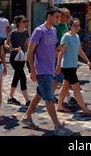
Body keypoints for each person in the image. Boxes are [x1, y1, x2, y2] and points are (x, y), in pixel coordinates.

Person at [21, 8, 74, 136]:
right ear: (49, 16)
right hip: (42, 70)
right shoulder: (39, 31)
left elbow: (52, 50)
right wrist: (32, 71)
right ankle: (57, 127)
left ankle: (27, 117)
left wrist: (58, 51)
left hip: (50, 69)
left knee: (39, 94)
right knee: (49, 99)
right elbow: (30, 52)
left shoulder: (54, 30)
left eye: (59, 17)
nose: (58, 19)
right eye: (56, 17)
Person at [56, 18, 91, 115]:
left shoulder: (77, 36)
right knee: (76, 88)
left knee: (65, 87)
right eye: (75, 25)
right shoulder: (66, 37)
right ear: (70, 26)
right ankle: (84, 109)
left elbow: (80, 51)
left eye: (78, 25)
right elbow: (61, 52)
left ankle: (60, 106)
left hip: (73, 66)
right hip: (67, 66)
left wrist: (87, 61)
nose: (77, 27)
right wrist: (58, 65)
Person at [6, 15, 30, 106]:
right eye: (24, 21)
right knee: (22, 77)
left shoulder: (26, 32)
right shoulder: (13, 33)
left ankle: (10, 98)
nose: (26, 23)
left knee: (16, 77)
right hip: (14, 58)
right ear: (19, 23)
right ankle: (27, 100)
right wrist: (13, 48)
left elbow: (27, 45)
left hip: (22, 58)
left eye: (26, 21)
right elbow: (6, 44)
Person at [54, 8, 75, 106]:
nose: (68, 17)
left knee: (59, 79)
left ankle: (51, 95)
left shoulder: (66, 25)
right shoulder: (56, 27)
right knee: (61, 78)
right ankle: (69, 98)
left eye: (69, 15)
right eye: (67, 16)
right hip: (57, 55)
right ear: (61, 16)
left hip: (64, 56)